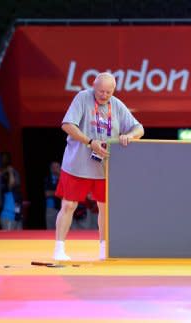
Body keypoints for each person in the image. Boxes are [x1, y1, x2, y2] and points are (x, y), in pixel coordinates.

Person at [53, 72, 144, 261]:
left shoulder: (117, 105)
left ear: (114, 91)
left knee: (105, 208)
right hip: (77, 163)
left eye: (108, 92)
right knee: (69, 205)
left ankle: (104, 248)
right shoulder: (82, 97)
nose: (104, 95)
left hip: (105, 168)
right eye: (101, 91)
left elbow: (139, 128)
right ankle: (59, 248)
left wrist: (130, 135)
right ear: (93, 86)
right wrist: (89, 141)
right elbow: (67, 125)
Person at [44, 161, 61, 229]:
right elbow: (47, 193)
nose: (55, 169)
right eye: (53, 167)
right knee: (50, 228)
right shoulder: (47, 179)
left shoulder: (63, 178)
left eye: (57, 167)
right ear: (50, 168)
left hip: (62, 208)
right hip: (51, 208)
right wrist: (59, 193)